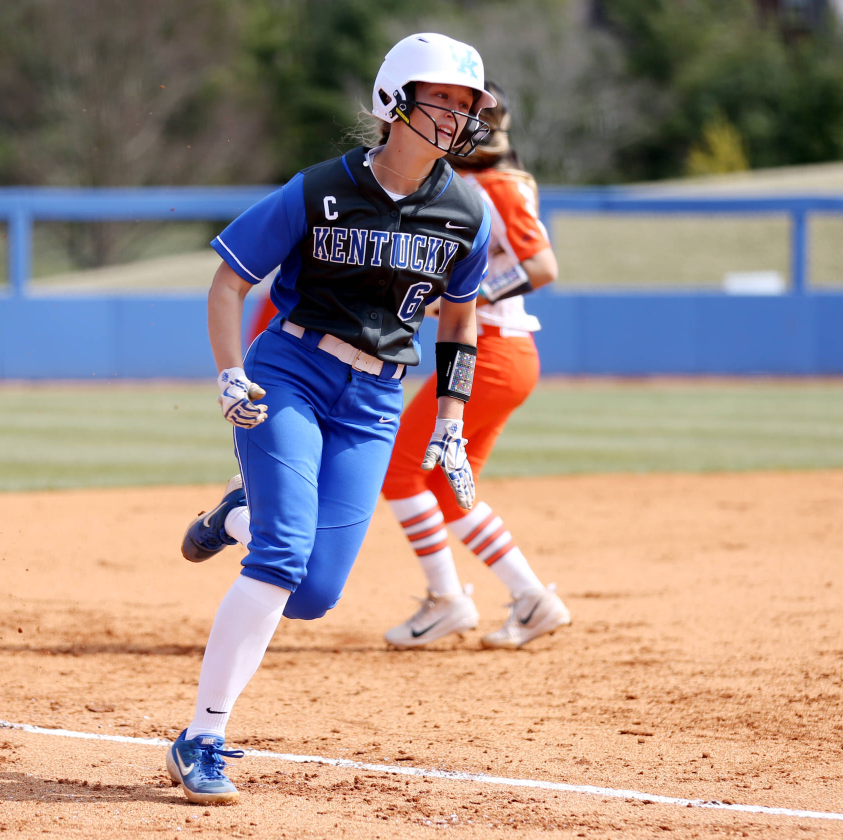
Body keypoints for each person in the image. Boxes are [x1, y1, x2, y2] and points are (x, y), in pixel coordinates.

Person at [167, 33, 497, 805]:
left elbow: (459, 323)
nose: (453, 117)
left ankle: (237, 515)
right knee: (283, 558)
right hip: (291, 372)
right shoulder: (319, 189)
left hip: (377, 401)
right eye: (439, 98)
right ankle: (201, 735)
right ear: (394, 101)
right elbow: (228, 284)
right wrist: (229, 373)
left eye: (465, 104)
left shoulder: (468, 213)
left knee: (313, 593)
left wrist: (450, 418)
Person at [380, 79, 570, 651]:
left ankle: (446, 600)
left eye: (466, 111)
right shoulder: (469, 182)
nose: (458, 120)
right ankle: (533, 600)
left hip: (489, 350)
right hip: (505, 353)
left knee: (400, 471)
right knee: (446, 487)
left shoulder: (494, 184)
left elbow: (542, 267)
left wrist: (469, 300)